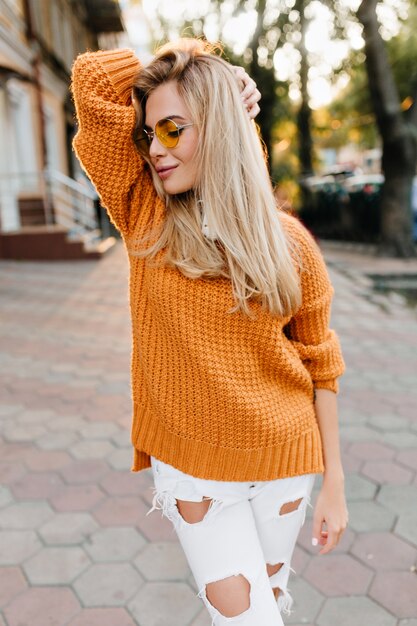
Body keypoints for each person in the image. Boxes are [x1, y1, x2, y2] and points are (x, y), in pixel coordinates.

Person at [71, 37, 348, 626]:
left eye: (174, 129)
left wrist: (335, 486)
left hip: (285, 463)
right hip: (196, 473)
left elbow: (320, 361)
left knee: (270, 603)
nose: (155, 150)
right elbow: (92, 80)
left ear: (220, 127)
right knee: (247, 620)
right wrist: (190, 57)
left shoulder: (288, 242)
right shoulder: (143, 213)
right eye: (149, 134)